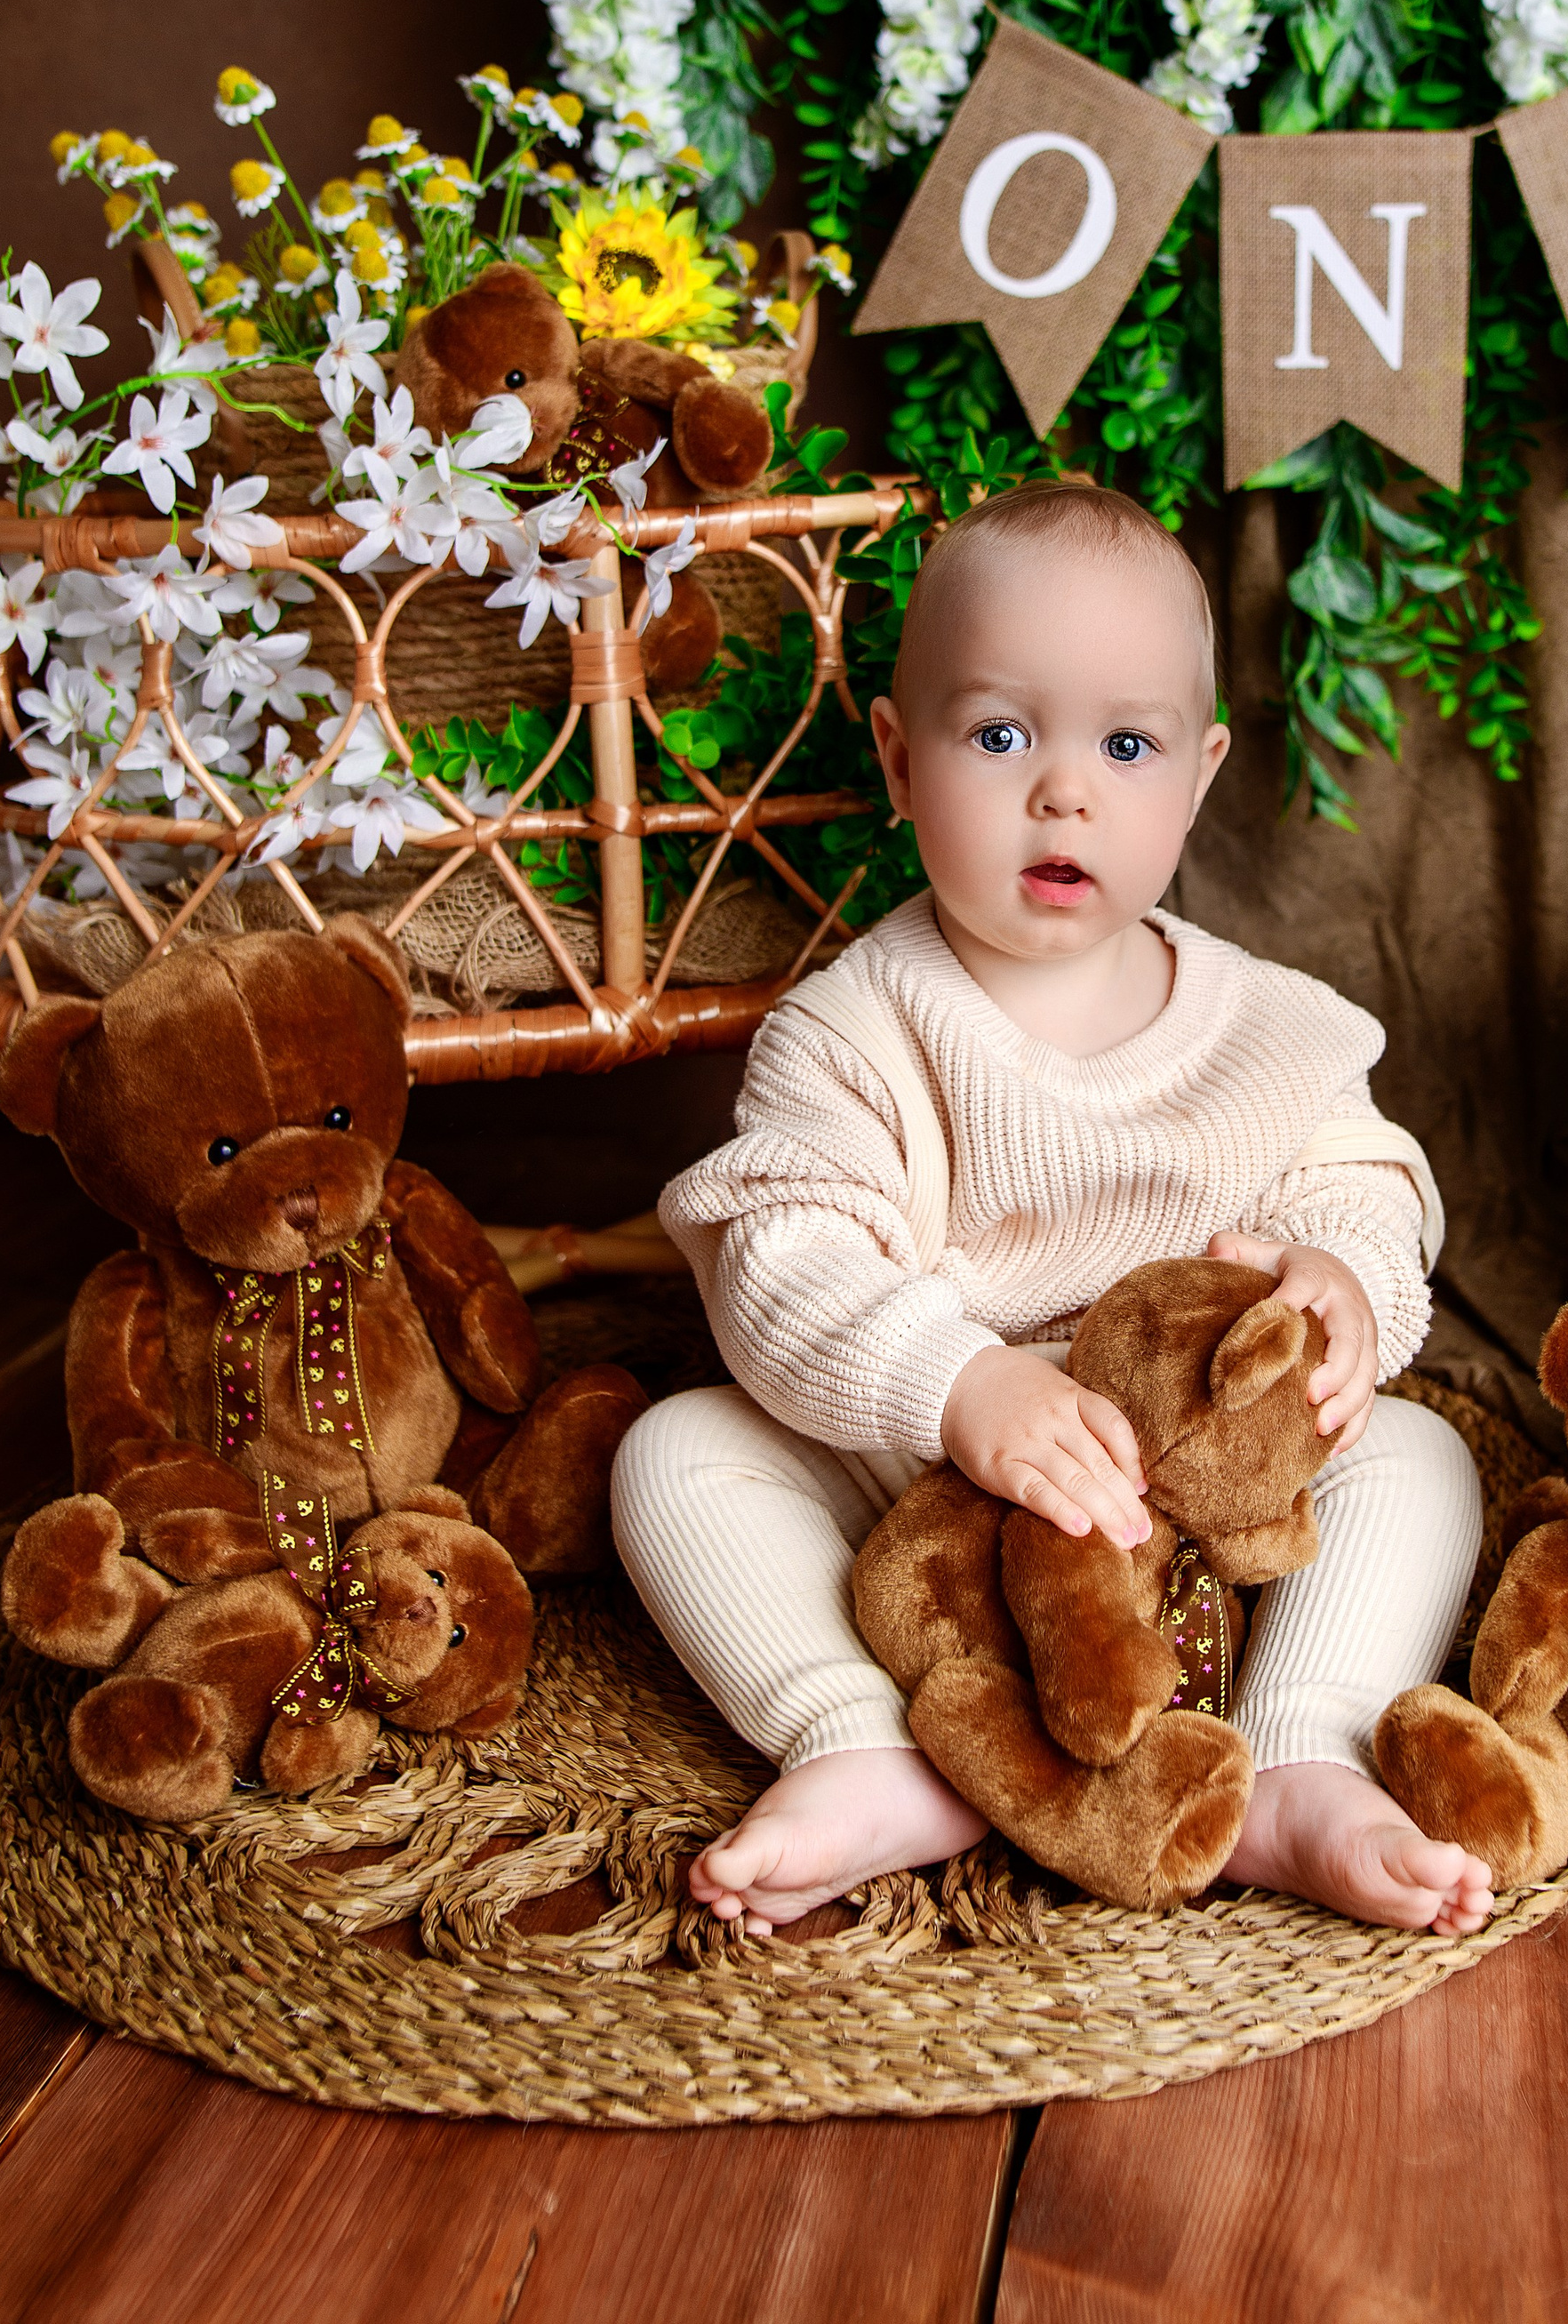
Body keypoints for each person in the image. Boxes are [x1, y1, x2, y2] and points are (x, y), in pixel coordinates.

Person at [612, 480, 1492, 1936]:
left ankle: (1298, 1750)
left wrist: (1341, 1272)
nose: (1063, 793)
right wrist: (959, 1383)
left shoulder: (1268, 1028)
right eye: (1001, 736)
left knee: (1417, 1459)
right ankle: (863, 1742)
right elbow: (783, 1262)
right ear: (900, 760)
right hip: (936, 1504)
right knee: (678, 1455)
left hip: (1204, 1504)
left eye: (1126, 746)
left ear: (1199, 776)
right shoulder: (853, 1032)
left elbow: (1368, 1179)